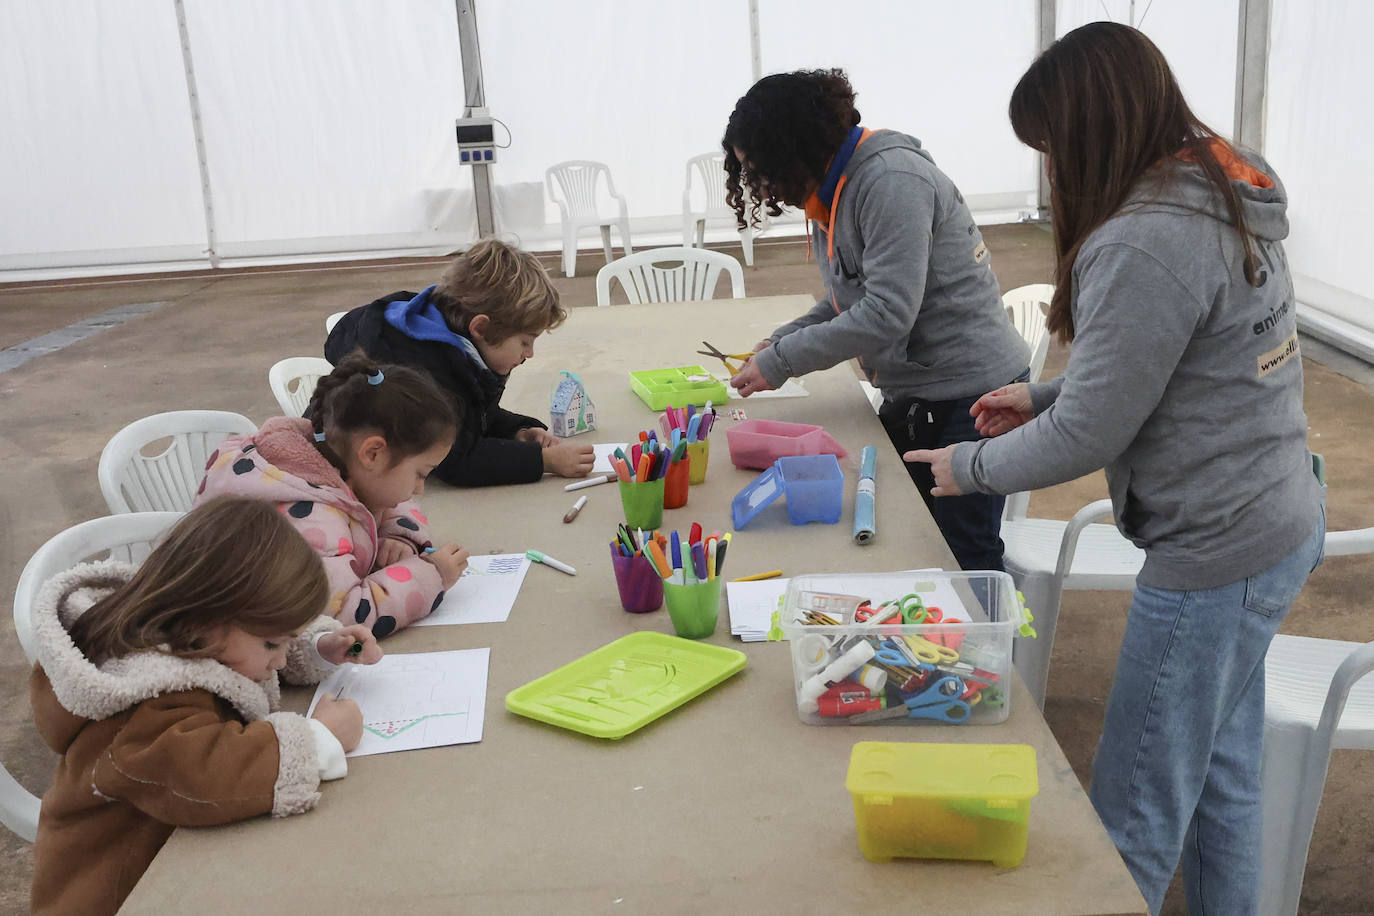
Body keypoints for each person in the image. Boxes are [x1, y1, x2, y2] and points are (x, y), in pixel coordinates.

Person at [904, 23, 1325, 914]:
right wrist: (1045, 395)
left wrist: (968, 466)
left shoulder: (1144, 239)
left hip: (1215, 553)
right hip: (1277, 519)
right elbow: (1175, 369)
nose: (1051, 172)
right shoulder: (1219, 184)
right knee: (1219, 779)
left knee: (1133, 813)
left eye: (1051, 149)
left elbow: (1090, 438)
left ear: (1091, 130)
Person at [722, 69, 1031, 571]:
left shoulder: (889, 182)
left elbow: (887, 311)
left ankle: (991, 648)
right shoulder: (837, 188)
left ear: (793, 148)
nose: (760, 183)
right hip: (923, 394)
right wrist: (779, 341)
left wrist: (782, 361)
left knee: (961, 552)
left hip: (972, 398)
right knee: (900, 532)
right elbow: (850, 298)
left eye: (760, 167)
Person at [29, 496, 381, 915]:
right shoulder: (145, 699)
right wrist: (317, 739)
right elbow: (202, 777)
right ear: (202, 621)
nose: (281, 659)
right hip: (114, 893)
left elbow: (242, 660)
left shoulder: (189, 635)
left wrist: (320, 647)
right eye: (273, 643)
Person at [197, 354, 469, 638]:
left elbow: (388, 501)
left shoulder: (334, 461)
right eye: (420, 474)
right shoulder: (308, 514)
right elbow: (346, 617)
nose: (419, 489)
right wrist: (433, 574)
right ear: (373, 453)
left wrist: (397, 538)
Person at [325, 239, 595, 486]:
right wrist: (543, 461)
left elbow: (470, 417)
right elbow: (457, 461)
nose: (530, 353)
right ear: (481, 328)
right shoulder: (421, 371)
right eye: (525, 342)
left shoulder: (452, 343)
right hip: (345, 488)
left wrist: (517, 432)